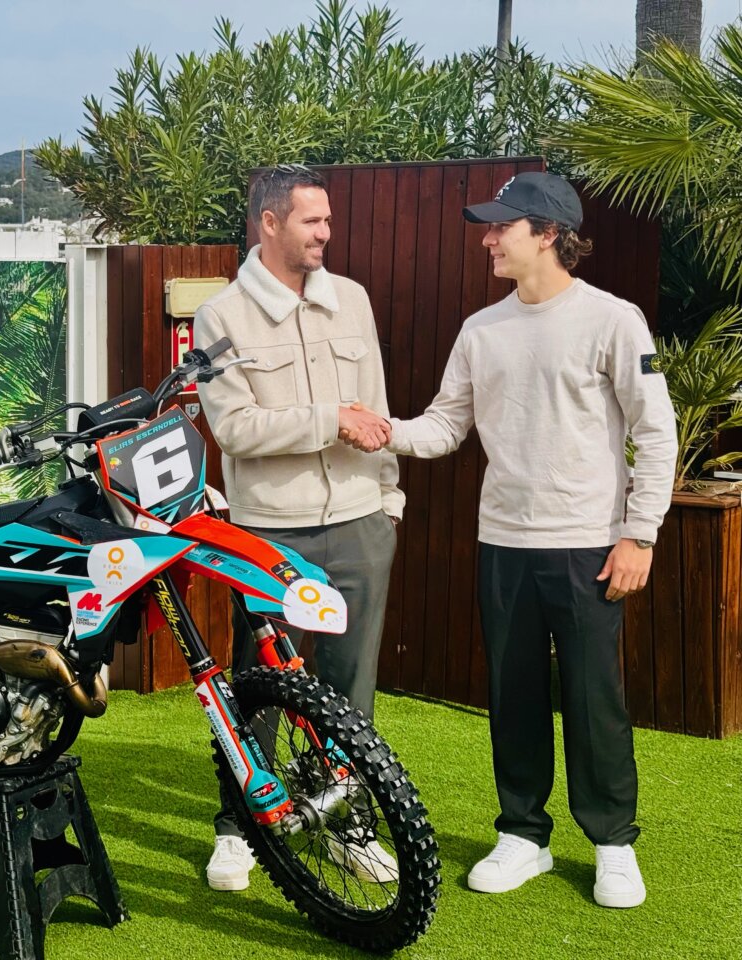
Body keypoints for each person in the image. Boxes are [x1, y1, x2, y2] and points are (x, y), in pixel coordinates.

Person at [344, 172, 675, 909]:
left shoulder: (612, 320)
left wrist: (639, 537)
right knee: (513, 693)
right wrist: (382, 429)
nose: (488, 238)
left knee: (594, 698)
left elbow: (656, 434)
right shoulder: (481, 331)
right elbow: (446, 425)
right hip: (504, 543)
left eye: (503, 227)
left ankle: (613, 843)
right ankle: (523, 834)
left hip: (590, 543)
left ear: (549, 234)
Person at [194, 164, 402, 891]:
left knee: (350, 692)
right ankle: (240, 829)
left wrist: (389, 508)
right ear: (269, 222)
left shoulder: (353, 300)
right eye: (312, 221)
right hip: (268, 537)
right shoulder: (221, 317)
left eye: (327, 220)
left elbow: (374, 409)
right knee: (253, 690)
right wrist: (328, 421)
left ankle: (347, 826)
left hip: (359, 525)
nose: (326, 233)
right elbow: (235, 428)